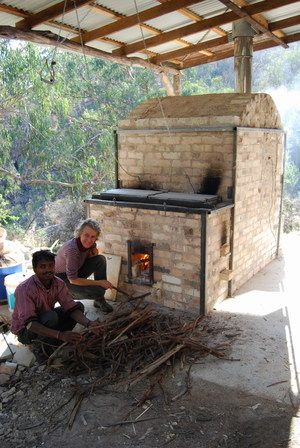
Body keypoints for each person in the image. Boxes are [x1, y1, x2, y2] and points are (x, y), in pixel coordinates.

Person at [11, 250, 100, 345]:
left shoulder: (58, 283)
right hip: (25, 331)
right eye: (42, 267)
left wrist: (89, 324)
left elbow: (70, 306)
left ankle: (55, 338)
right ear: (34, 269)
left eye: (51, 265)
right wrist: (60, 335)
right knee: (51, 317)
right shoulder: (24, 289)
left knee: (78, 306)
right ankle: (40, 346)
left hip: (45, 319)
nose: (48, 270)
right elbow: (29, 324)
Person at [55, 219, 114, 313]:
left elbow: (89, 251)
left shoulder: (90, 244)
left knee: (100, 259)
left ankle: (99, 300)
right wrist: (100, 282)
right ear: (79, 234)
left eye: (93, 237)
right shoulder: (72, 250)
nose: (89, 240)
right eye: (86, 235)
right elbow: (73, 279)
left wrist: (92, 253)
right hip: (60, 280)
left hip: (74, 272)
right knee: (98, 291)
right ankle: (65, 297)